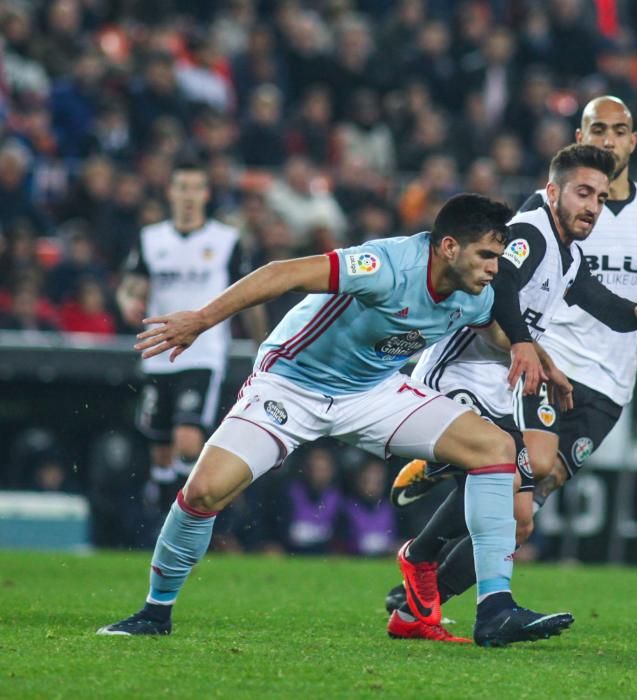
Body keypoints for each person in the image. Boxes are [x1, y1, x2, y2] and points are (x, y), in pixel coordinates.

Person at [96, 193, 577, 648]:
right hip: (293, 384)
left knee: (495, 450)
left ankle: (495, 609)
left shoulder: (476, 292)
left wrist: (540, 358)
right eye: (487, 256)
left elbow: (496, 328)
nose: (496, 270)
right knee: (203, 492)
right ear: (449, 247)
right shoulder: (385, 266)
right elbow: (282, 273)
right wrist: (201, 319)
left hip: (373, 391)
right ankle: (154, 613)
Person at [387, 99, 637, 630]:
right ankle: (442, 566)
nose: (593, 207)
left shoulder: (574, 249)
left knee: (524, 509)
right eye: (584, 194)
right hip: (463, 373)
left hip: (513, 380)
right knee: (501, 461)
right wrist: (528, 346)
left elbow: (597, 299)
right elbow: (502, 283)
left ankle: (430, 597)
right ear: (553, 191)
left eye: (599, 198)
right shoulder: (530, 230)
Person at [116, 157, 267, 516]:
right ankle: (164, 509)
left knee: (187, 439)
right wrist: (126, 301)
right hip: (156, 351)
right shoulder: (151, 238)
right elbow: (131, 285)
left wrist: (263, 344)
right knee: (161, 448)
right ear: (171, 191)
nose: (187, 195)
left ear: (205, 193)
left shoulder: (225, 240)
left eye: (194, 188)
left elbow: (249, 294)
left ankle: (188, 513)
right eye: (181, 187)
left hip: (203, 352)